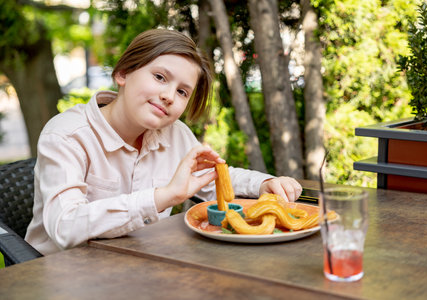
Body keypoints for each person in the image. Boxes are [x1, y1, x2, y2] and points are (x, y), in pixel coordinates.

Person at [25, 29, 302, 255]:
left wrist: (263, 184)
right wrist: (164, 196)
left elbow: (211, 175)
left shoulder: (176, 134)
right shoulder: (67, 135)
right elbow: (65, 226)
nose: (169, 95)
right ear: (123, 73)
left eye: (182, 91)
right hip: (62, 277)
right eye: (159, 77)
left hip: (139, 267)